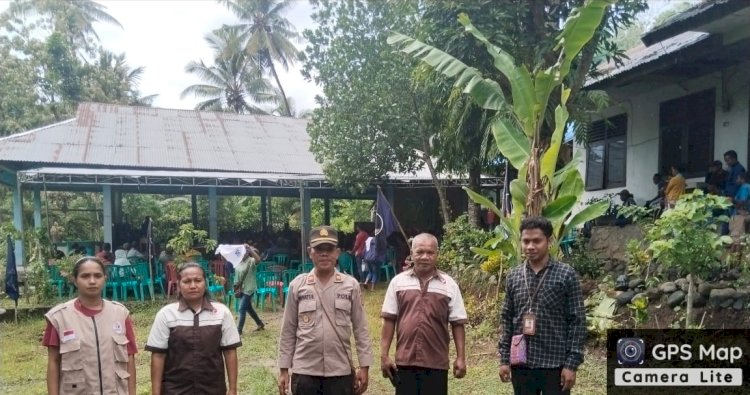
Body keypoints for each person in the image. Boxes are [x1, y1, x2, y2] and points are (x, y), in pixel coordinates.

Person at [277, 226, 373, 395]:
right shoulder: (298, 286)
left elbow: (361, 329)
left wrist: (364, 366)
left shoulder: (350, 285)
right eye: (319, 249)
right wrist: (284, 368)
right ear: (310, 252)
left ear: (337, 252)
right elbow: (288, 330)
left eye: (329, 249)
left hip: (340, 371)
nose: (324, 254)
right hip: (305, 371)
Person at [498, 216, 586, 395]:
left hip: (555, 364)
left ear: (549, 241)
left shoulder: (566, 275)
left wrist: (571, 364)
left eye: (536, 241)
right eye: (526, 241)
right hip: (521, 363)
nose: (530, 246)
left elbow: (577, 321)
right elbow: (507, 318)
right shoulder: (514, 276)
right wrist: (504, 359)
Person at [380, 233, 467, 395]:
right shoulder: (398, 283)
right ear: (412, 254)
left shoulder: (449, 285)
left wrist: (461, 357)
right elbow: (389, 320)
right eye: (420, 252)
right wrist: (384, 355)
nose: (425, 257)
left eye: (430, 252)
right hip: (405, 362)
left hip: (436, 363)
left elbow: (457, 323)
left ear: (437, 255)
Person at [43, 256, 137, 394]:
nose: (92, 281)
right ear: (75, 280)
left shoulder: (120, 314)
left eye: (98, 276)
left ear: (105, 278)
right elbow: (53, 362)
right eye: (85, 276)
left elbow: (130, 359)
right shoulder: (59, 317)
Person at [146, 262, 241, 395]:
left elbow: (230, 352)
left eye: (198, 280)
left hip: (213, 388)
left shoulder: (221, 312)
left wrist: (232, 389)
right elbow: (158, 355)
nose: (193, 286)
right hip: (175, 389)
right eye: (186, 281)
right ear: (179, 285)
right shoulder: (166, 314)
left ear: (205, 283)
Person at [235, 244, 265, 335]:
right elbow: (237, 275)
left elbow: (258, 260)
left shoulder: (251, 261)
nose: (242, 253)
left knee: (241, 308)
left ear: (247, 253)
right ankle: (260, 323)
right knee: (249, 308)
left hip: (249, 288)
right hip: (241, 288)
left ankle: (238, 330)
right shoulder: (238, 262)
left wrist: (250, 249)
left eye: (244, 252)